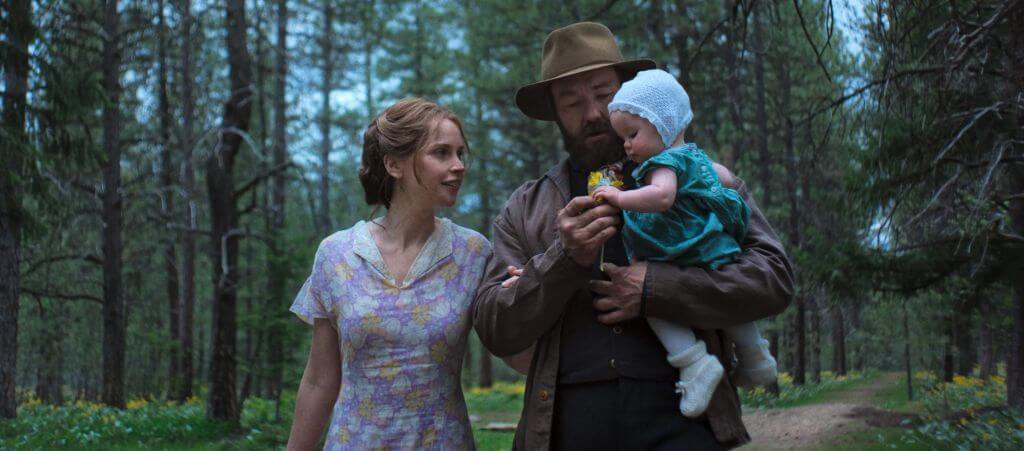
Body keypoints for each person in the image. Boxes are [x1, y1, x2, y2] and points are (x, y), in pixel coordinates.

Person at [473, 22, 793, 450]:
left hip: (686, 424)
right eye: (572, 102)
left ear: (628, 94)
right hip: (566, 430)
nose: (592, 114)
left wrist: (656, 289)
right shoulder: (526, 208)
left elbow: (774, 278)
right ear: (554, 113)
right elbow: (495, 328)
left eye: (604, 94)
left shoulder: (696, 176)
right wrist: (562, 259)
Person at [287, 98, 490, 450]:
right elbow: (320, 380)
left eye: (460, 153)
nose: (459, 165)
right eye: (441, 153)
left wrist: (535, 288)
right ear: (394, 164)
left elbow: (519, 354)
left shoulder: (474, 253)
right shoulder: (337, 255)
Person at [589, 68, 779, 417]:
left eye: (632, 134)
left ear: (663, 125)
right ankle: (755, 356)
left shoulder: (662, 164)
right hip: (712, 245)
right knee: (727, 304)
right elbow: (724, 179)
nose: (627, 145)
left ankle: (693, 363)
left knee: (652, 301)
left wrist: (618, 198)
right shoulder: (696, 157)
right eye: (624, 137)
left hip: (677, 248)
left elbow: (662, 197)